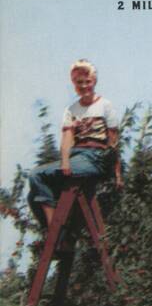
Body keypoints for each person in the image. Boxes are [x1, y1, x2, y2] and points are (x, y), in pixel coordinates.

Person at [28, 59, 122, 244]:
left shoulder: (105, 106)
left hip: (96, 157)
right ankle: (56, 233)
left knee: (35, 176)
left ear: (94, 81)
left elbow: (113, 142)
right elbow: (67, 139)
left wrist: (117, 174)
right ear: (74, 84)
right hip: (76, 157)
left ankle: (55, 234)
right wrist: (64, 161)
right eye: (79, 82)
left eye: (87, 81)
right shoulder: (71, 110)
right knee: (33, 193)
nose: (84, 86)